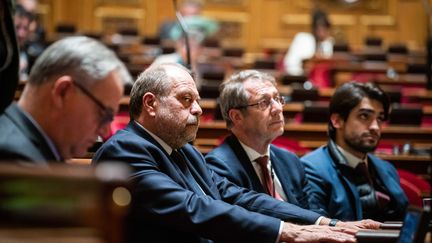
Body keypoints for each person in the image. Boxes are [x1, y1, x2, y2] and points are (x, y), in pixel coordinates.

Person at [92, 63, 380, 243]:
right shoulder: (125, 150)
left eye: (198, 100)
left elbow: (239, 196)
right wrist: (287, 232)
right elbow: (194, 208)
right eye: (186, 99)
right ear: (151, 104)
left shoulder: (185, 152)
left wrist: (324, 222)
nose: (198, 109)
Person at [0, 36, 131, 166]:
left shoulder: (34, 148)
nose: (106, 132)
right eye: (104, 114)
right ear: (63, 92)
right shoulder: (14, 159)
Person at [205, 70, 321, 212]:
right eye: (264, 102)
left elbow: (315, 213)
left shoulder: (290, 161)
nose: (278, 108)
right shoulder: (219, 167)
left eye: (278, 99)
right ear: (236, 116)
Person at [301, 82, 408, 222]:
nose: (375, 127)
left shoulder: (386, 168)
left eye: (380, 118)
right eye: (364, 116)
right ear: (337, 120)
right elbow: (316, 231)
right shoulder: (311, 169)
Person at [283, 8, 334, 76]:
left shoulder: (329, 42)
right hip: (300, 77)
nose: (322, 32)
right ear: (314, 28)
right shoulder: (303, 39)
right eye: (319, 28)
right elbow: (290, 63)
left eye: (325, 28)